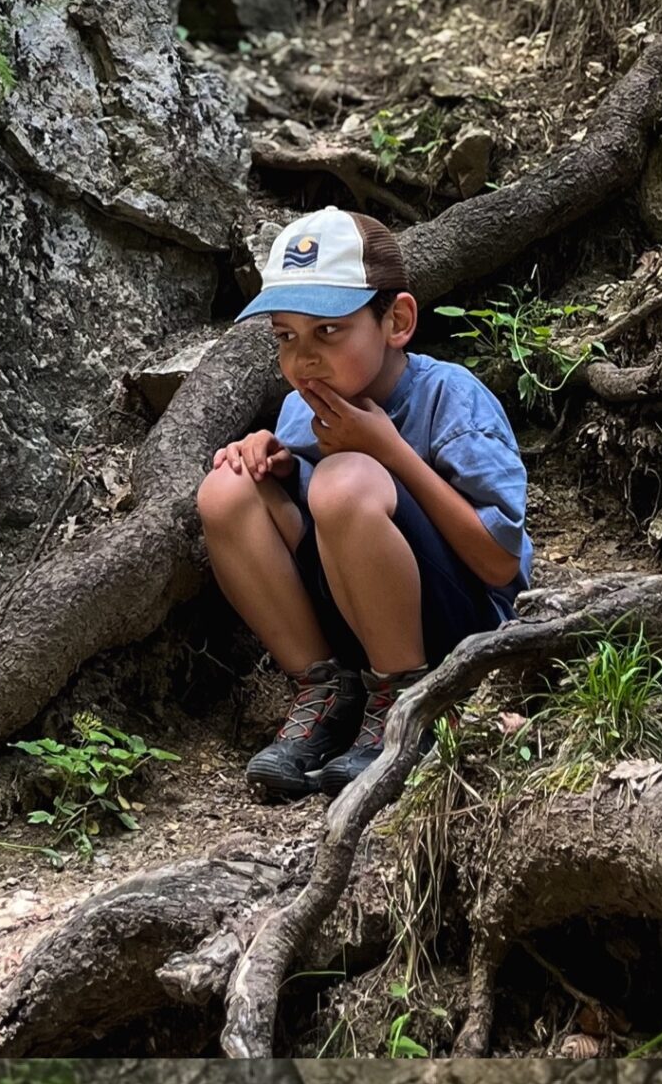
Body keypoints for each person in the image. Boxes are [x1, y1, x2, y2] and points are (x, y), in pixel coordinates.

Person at [197, 206, 533, 802]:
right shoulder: (302, 406)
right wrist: (275, 467)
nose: (304, 360)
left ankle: (411, 705)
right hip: (357, 617)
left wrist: (390, 450)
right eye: (286, 336)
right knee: (226, 488)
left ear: (396, 320)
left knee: (347, 478)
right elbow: (315, 513)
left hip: (459, 629)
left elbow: (500, 565)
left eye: (328, 330)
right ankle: (328, 693)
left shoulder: (451, 399)